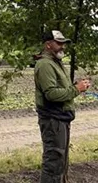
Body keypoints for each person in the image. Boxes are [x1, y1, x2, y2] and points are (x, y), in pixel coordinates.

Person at [34, 30, 90, 183]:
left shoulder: (55, 63)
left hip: (60, 119)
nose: (62, 46)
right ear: (48, 45)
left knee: (60, 161)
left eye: (63, 43)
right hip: (53, 120)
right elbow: (51, 94)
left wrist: (76, 86)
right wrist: (76, 89)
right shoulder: (45, 64)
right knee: (53, 163)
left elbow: (60, 90)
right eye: (59, 43)